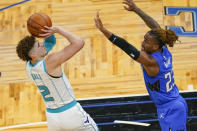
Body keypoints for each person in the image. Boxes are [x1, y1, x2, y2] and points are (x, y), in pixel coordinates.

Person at [94, 0, 188, 130]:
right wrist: (136, 9)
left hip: (171, 109)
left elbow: (127, 47)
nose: (143, 43)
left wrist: (104, 31)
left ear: (155, 46)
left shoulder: (151, 62)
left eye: (146, 41)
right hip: (171, 104)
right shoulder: (162, 49)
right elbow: (155, 26)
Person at [16, 26, 99, 131]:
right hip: (71, 114)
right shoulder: (51, 61)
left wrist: (47, 31)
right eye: (38, 44)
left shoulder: (28, 67)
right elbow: (79, 43)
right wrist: (58, 30)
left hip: (53, 119)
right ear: (33, 54)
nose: (42, 44)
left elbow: (50, 43)